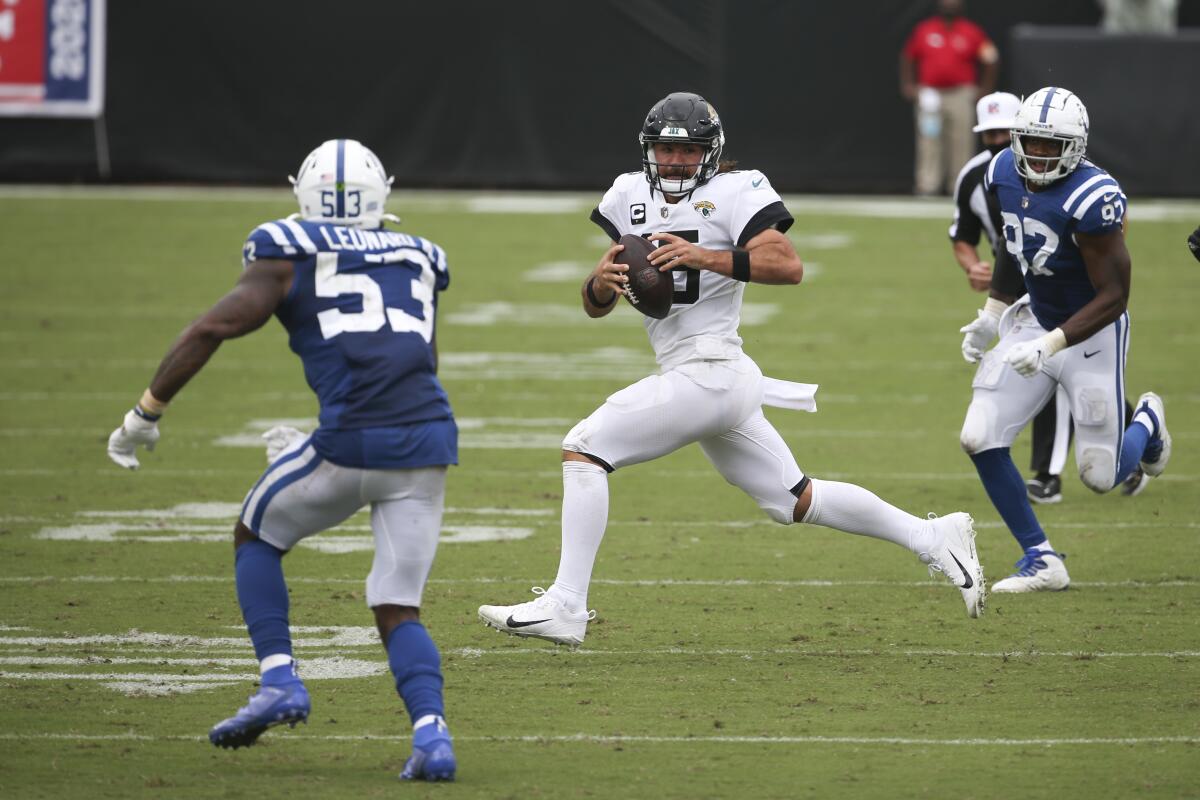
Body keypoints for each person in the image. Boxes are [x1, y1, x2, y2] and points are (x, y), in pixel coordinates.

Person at [477, 91, 985, 646]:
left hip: (711, 370)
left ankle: (567, 606)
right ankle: (934, 536)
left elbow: (787, 266)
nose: (674, 162)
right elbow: (598, 304)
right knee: (794, 500)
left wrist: (706, 256)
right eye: (664, 151)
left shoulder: (737, 189)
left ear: (712, 152)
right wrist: (599, 283)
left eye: (688, 151)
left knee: (585, 448)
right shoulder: (627, 193)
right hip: (711, 377)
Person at [105, 139, 458, 781]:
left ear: (304, 193)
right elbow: (420, 361)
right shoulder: (422, 255)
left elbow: (214, 327)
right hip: (428, 441)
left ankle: (279, 680)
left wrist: (145, 413)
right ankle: (432, 736)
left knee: (256, 533)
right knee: (397, 603)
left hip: (350, 440)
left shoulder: (284, 246)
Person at [957, 87, 1172, 593]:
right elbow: (1016, 244)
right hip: (1032, 320)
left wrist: (1051, 345)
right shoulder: (1002, 173)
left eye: (1051, 146)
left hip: (1090, 332)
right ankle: (1041, 558)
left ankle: (1147, 419)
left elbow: (1115, 295)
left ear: (1075, 146)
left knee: (1101, 476)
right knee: (979, 435)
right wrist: (991, 315)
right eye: (1030, 142)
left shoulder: (1093, 198)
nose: (1038, 155)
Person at [949, 91, 1078, 505]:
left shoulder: (1066, 171)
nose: (996, 142)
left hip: (1058, 280)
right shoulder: (978, 175)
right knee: (1054, 373)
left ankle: (1047, 473)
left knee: (1055, 367)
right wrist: (973, 268)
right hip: (1010, 281)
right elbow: (962, 237)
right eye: (988, 134)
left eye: (1004, 132)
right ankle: (1134, 426)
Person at [900, 0, 999, 196]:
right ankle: (927, 185)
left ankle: (959, 185)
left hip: (960, 94)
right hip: (930, 94)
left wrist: (984, 88)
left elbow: (991, 59)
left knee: (962, 140)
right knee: (929, 139)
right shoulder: (925, 30)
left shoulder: (971, 32)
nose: (949, 4)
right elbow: (908, 56)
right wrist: (909, 84)